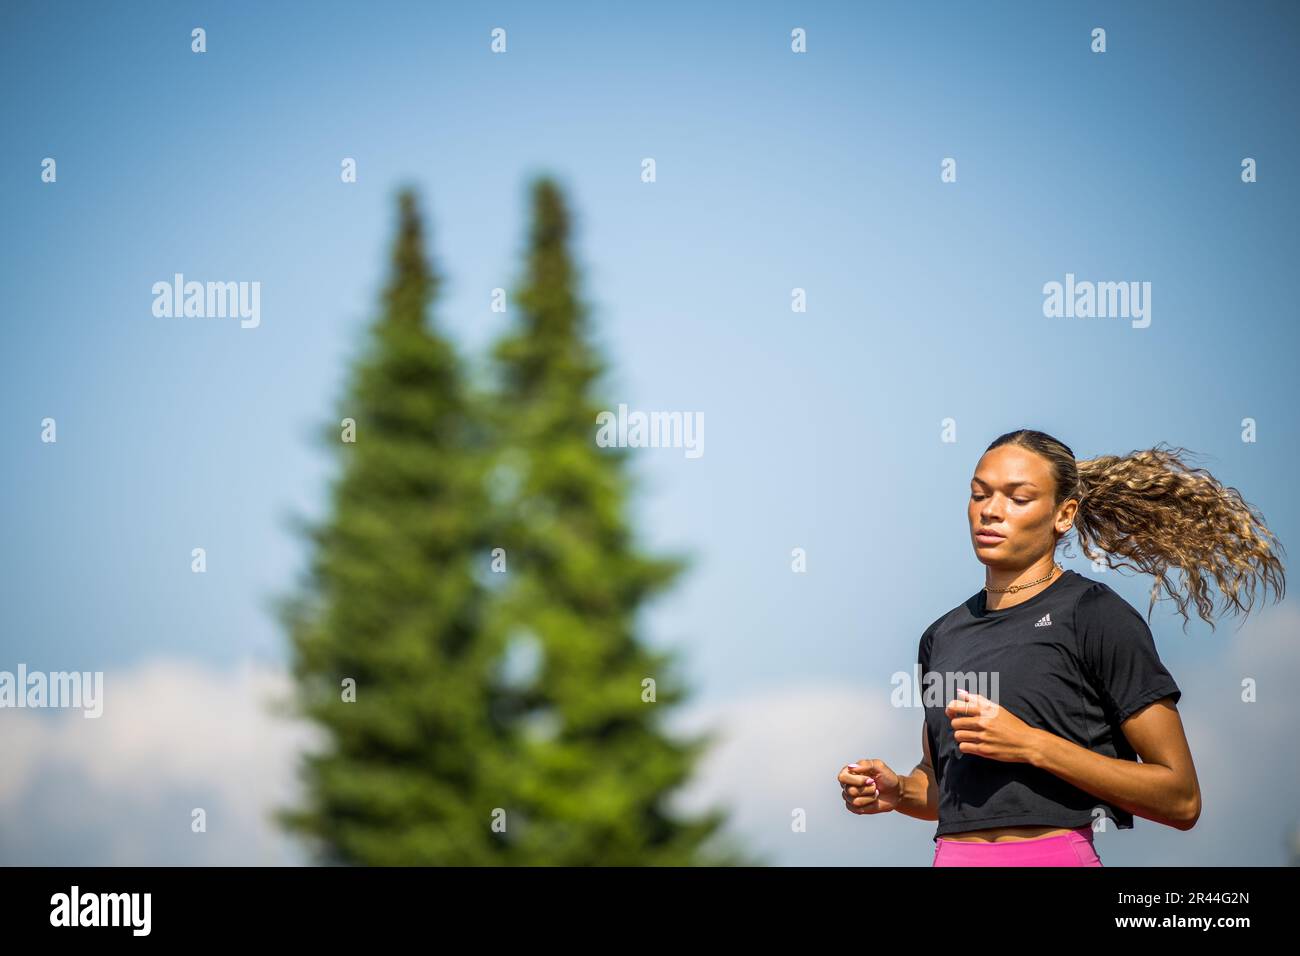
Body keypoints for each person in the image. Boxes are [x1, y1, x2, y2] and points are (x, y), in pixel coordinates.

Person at [838, 429, 1286, 866]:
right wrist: (896, 790)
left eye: (1018, 498)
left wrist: (1031, 744)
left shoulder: (1095, 615)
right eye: (980, 494)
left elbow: (1181, 799)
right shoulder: (941, 636)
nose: (991, 511)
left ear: (1064, 514)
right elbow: (941, 785)